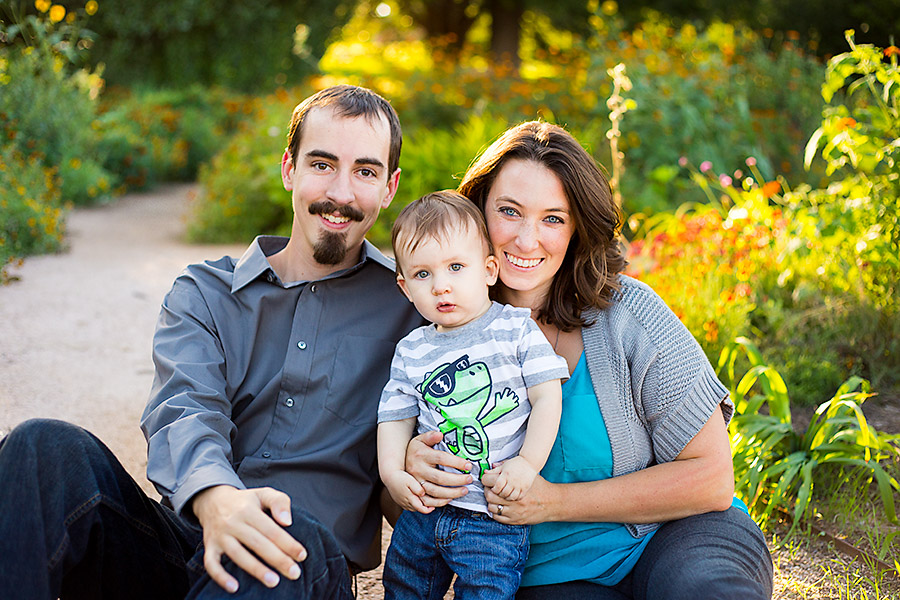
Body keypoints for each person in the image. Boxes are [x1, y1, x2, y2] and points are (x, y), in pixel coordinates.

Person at [0, 84, 424, 599]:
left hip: (303, 568)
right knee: (43, 446)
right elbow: (184, 409)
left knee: (283, 535)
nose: (341, 192)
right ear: (289, 169)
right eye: (322, 164)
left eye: (365, 171)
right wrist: (220, 499)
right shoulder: (204, 293)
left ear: (389, 186)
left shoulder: (415, 308)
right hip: (185, 544)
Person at [405, 121, 775, 599]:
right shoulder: (433, 332)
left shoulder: (631, 316)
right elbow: (409, 515)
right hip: (551, 577)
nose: (525, 240)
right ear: (477, 212)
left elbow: (711, 478)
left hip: (675, 537)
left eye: (553, 219)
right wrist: (413, 464)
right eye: (509, 212)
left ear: (577, 226)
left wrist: (554, 502)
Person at [377, 191, 569, 599]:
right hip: (428, 507)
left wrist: (527, 464)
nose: (441, 286)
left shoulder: (515, 329)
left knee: (487, 590)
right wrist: (393, 474)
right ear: (405, 286)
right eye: (423, 275)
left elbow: (548, 398)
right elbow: (394, 418)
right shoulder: (411, 350)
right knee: (404, 583)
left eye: (456, 268)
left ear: (488, 270)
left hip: (492, 514)